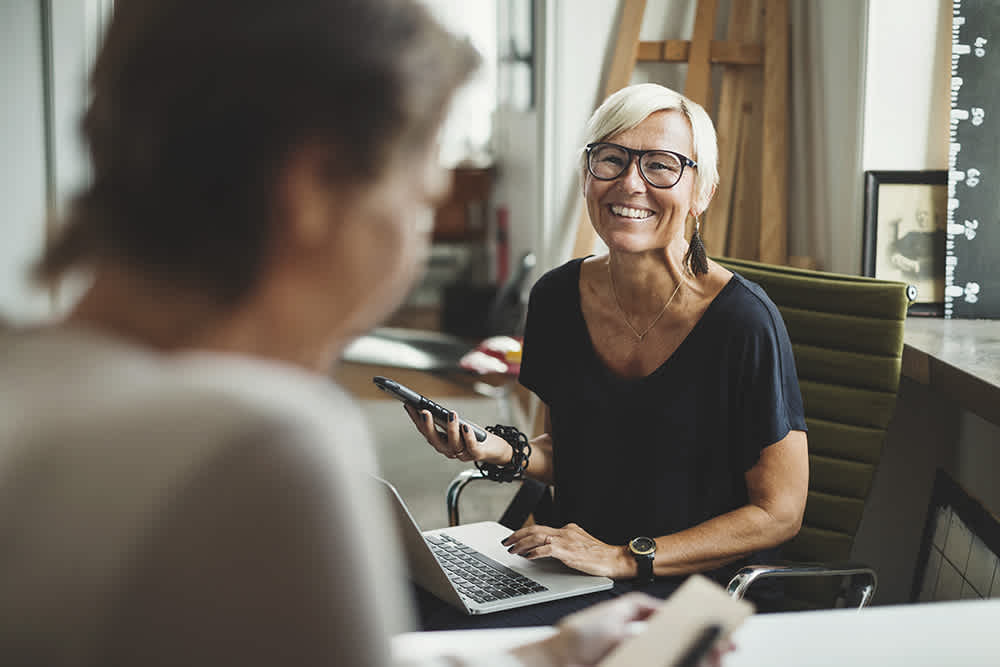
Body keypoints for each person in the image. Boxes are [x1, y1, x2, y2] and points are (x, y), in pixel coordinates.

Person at [0, 1, 664, 665]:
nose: (413, 243)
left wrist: (541, 655)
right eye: (421, 199)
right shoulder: (261, 444)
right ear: (312, 186)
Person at [409, 83, 810, 629]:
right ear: (586, 173)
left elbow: (779, 513)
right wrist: (503, 451)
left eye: (662, 165)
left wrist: (624, 557)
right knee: (396, 604)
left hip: (695, 584)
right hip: (570, 560)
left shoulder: (744, 323)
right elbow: (578, 449)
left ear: (703, 191)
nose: (629, 183)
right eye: (612, 159)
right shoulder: (555, 297)